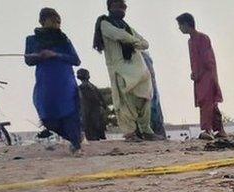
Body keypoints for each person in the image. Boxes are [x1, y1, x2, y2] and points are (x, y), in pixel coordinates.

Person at [93, 0, 156, 141]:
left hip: (139, 70)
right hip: (120, 69)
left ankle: (146, 130)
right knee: (125, 102)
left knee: (145, 98)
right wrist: (135, 42)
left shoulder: (127, 27)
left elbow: (145, 43)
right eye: (119, 6)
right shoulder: (105, 24)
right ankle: (130, 133)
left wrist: (134, 41)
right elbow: (119, 35)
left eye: (124, 6)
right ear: (110, 7)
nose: (122, 9)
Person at [25, 8, 82, 153]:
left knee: (69, 113)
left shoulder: (63, 39)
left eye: (59, 21)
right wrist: (39, 56)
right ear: (42, 21)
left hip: (65, 83)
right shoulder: (32, 39)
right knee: (47, 117)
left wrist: (55, 55)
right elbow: (28, 60)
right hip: (46, 84)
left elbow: (76, 60)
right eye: (53, 20)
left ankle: (76, 143)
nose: (57, 24)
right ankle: (74, 138)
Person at [177, 13, 224, 140]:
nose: (179, 28)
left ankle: (207, 129)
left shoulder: (203, 38)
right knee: (208, 103)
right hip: (198, 77)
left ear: (186, 24)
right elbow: (194, 60)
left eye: (180, 25)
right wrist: (194, 74)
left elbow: (208, 60)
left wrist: (201, 74)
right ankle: (220, 130)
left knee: (206, 102)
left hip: (207, 75)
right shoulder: (190, 41)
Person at [77, 68, 107, 141]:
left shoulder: (83, 87)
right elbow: (98, 98)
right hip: (91, 111)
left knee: (91, 127)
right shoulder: (90, 86)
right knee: (93, 126)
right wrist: (102, 106)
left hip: (89, 111)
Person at [142, 52, 167, 138]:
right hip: (148, 89)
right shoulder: (143, 57)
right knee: (153, 111)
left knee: (154, 111)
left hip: (150, 88)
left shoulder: (143, 57)